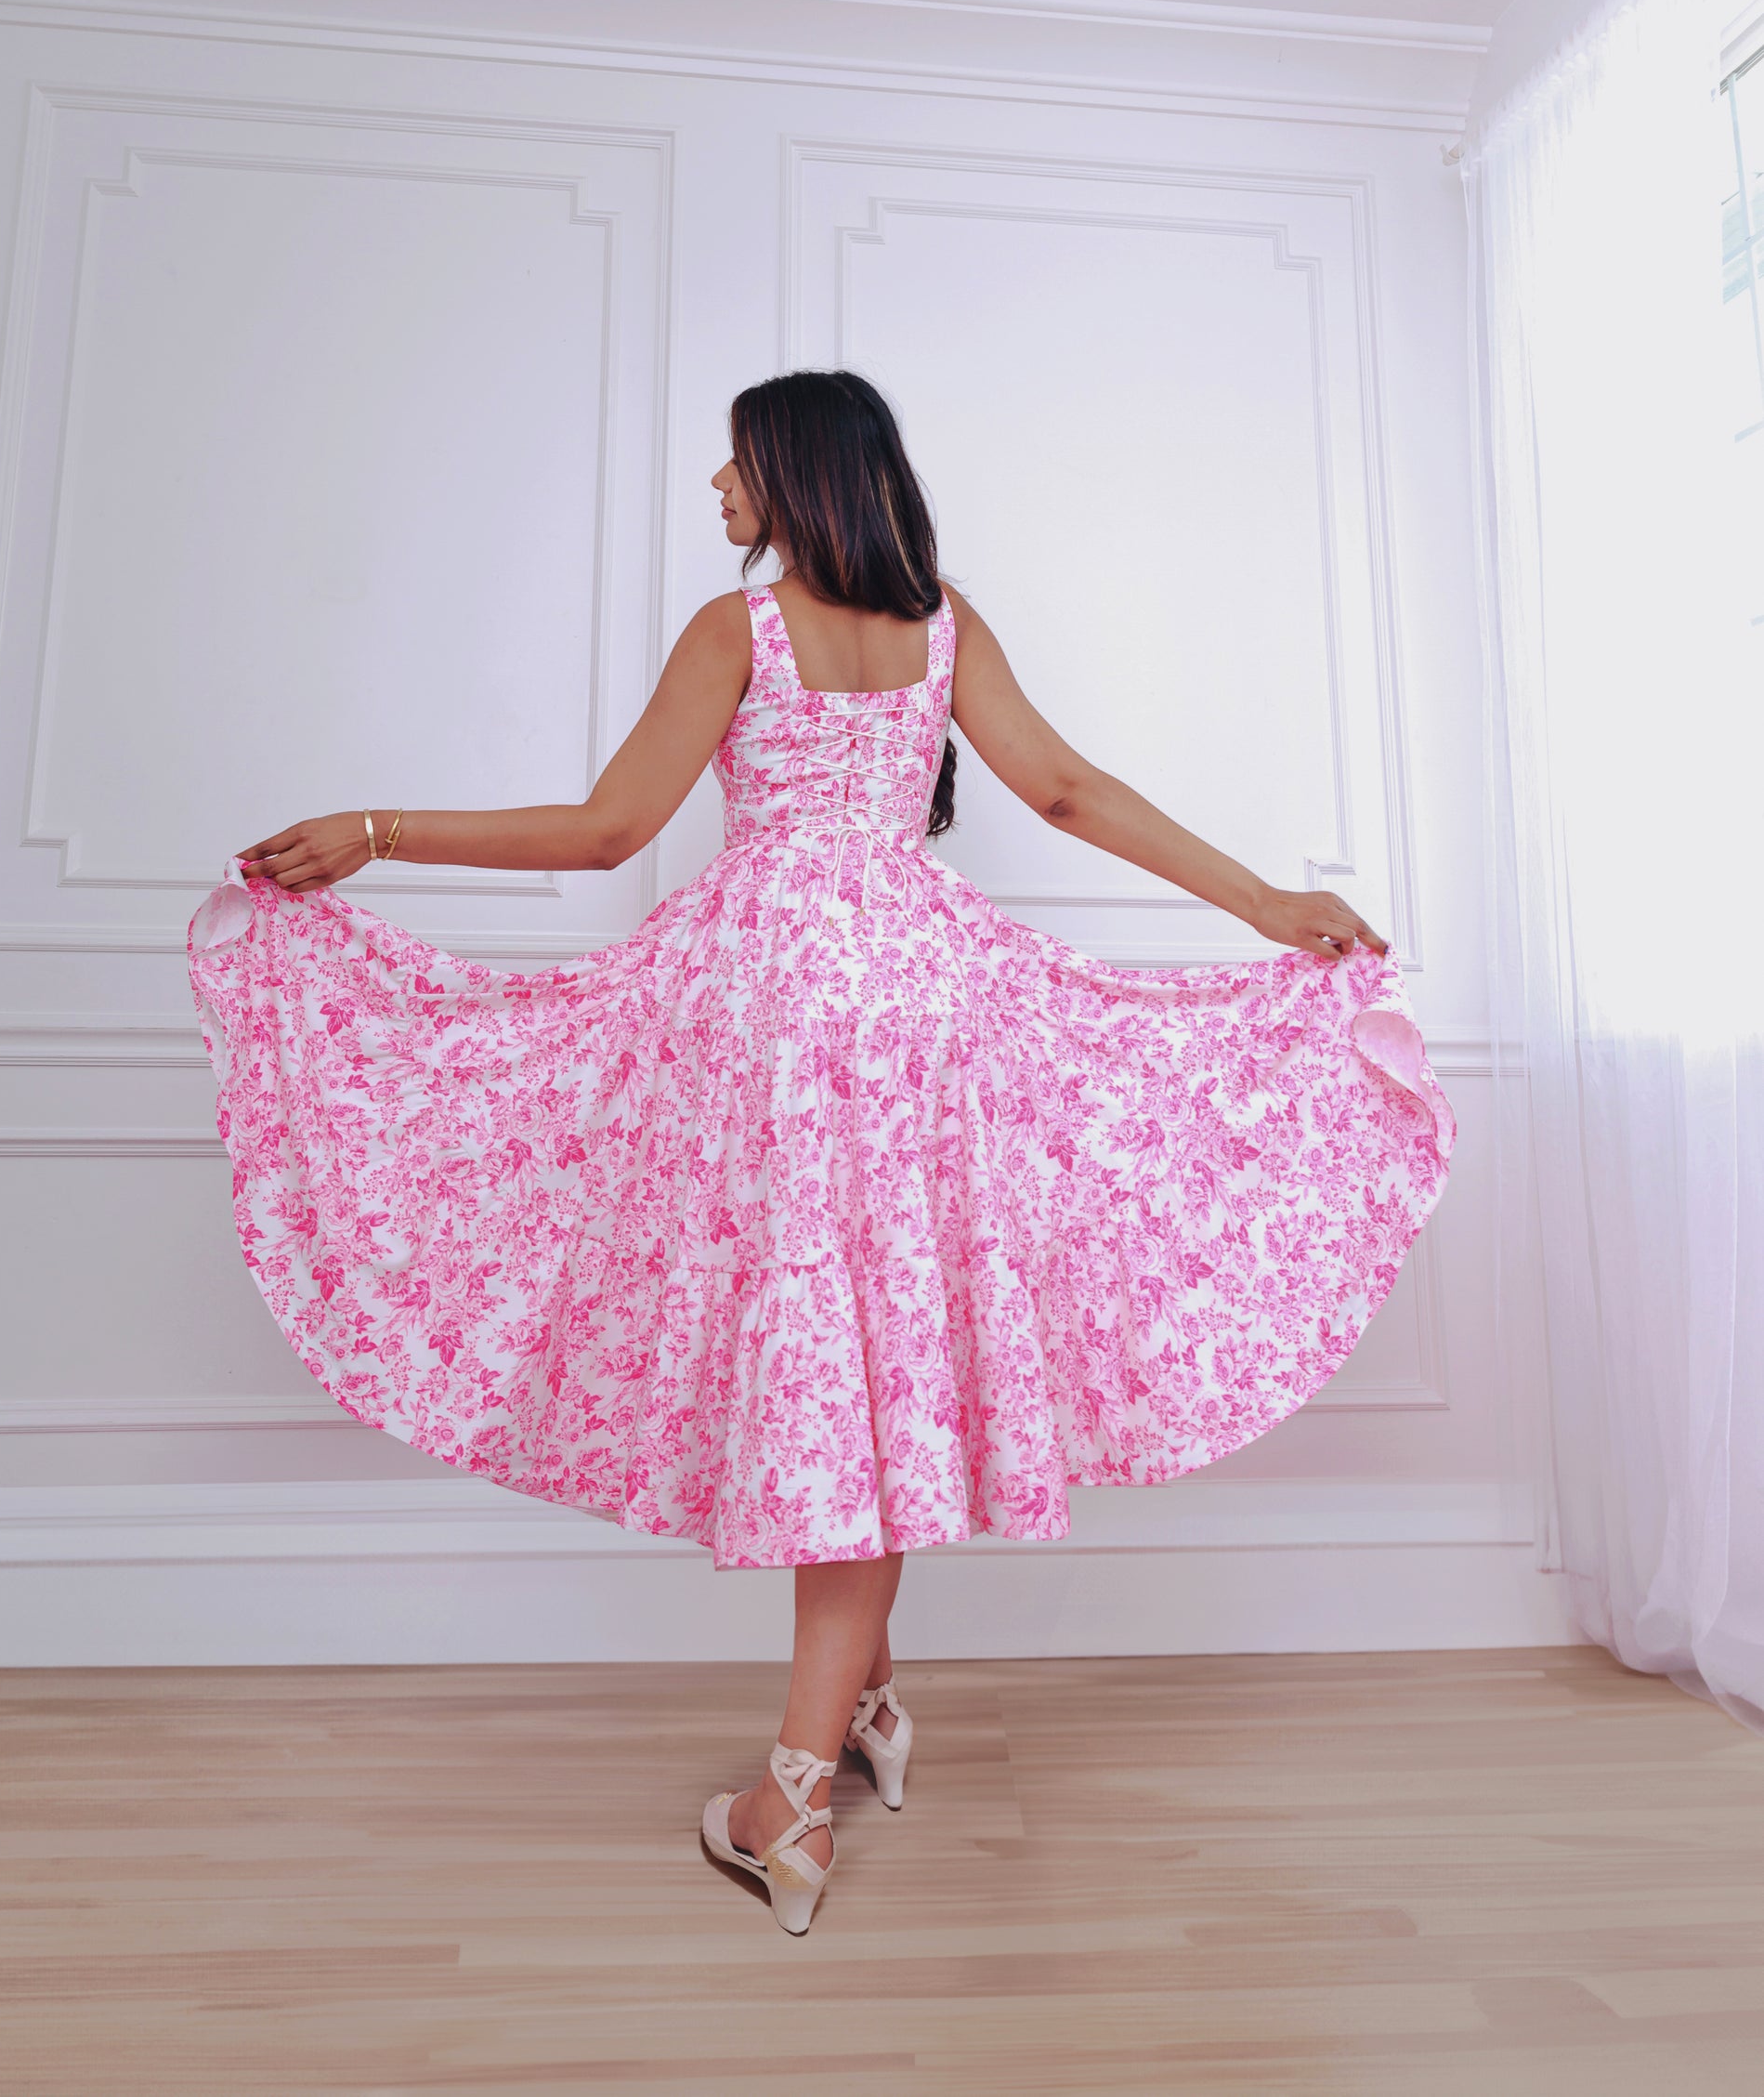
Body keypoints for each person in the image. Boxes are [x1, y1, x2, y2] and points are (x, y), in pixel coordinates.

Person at [188, 368, 1454, 1936]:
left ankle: (786, 1801)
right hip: (921, 1000)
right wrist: (1263, 902)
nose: (718, 490)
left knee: (832, 1376)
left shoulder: (743, 629)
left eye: (736, 464)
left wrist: (379, 831)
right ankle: (865, 1702)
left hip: (778, 1010)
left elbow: (604, 830)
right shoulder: (941, 626)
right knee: (880, 1357)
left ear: (793, 473)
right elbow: (1065, 792)